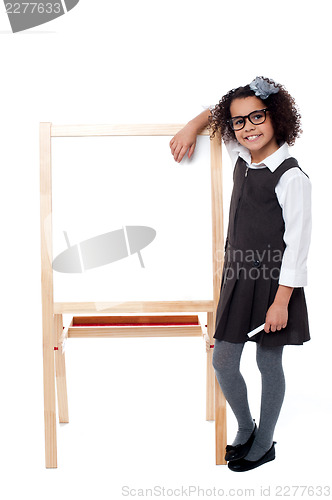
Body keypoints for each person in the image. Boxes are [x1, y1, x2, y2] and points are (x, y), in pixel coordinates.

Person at [169, 76, 312, 472]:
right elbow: (216, 115)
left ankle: (264, 443)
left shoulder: (290, 175)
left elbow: (298, 246)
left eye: (257, 117)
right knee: (224, 362)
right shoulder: (239, 153)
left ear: (276, 117)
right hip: (237, 278)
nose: (248, 127)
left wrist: (282, 301)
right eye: (240, 121)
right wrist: (190, 127)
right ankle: (247, 427)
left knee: (268, 363)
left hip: (274, 284)